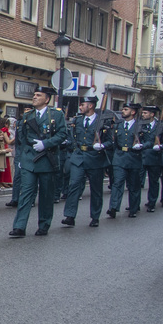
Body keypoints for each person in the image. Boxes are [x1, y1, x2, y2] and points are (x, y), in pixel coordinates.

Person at [9, 85, 68, 237]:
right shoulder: (28, 116)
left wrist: (46, 144)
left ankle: (44, 224)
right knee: (26, 194)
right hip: (30, 159)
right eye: (34, 94)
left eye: (38, 95)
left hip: (47, 160)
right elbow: (21, 139)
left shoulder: (56, 115)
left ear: (47, 99)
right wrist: (21, 158)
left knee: (46, 195)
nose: (34, 97)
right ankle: (19, 227)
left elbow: (62, 135)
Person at [61, 94, 110, 228]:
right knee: (74, 185)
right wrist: (67, 143)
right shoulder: (77, 120)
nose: (81, 107)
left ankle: (95, 216)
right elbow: (72, 137)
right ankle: (70, 216)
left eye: (83, 104)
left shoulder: (103, 121)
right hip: (79, 157)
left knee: (96, 189)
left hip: (95, 157)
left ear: (91, 105)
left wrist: (103, 145)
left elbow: (111, 141)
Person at [107, 102, 144, 219]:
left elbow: (150, 140)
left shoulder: (140, 125)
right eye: (123, 109)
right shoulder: (118, 125)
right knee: (117, 183)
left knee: (133, 185)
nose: (123, 111)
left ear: (133, 112)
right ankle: (113, 207)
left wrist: (141, 145)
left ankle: (133, 208)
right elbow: (115, 142)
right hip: (120, 157)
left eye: (126, 109)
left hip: (134, 157)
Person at [139, 105, 163, 211]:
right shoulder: (140, 125)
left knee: (153, 181)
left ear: (152, 114)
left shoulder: (160, 126)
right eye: (143, 113)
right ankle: (134, 204)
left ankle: (152, 203)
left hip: (154, 157)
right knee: (137, 182)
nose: (143, 115)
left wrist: (161, 146)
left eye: (145, 113)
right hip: (141, 156)